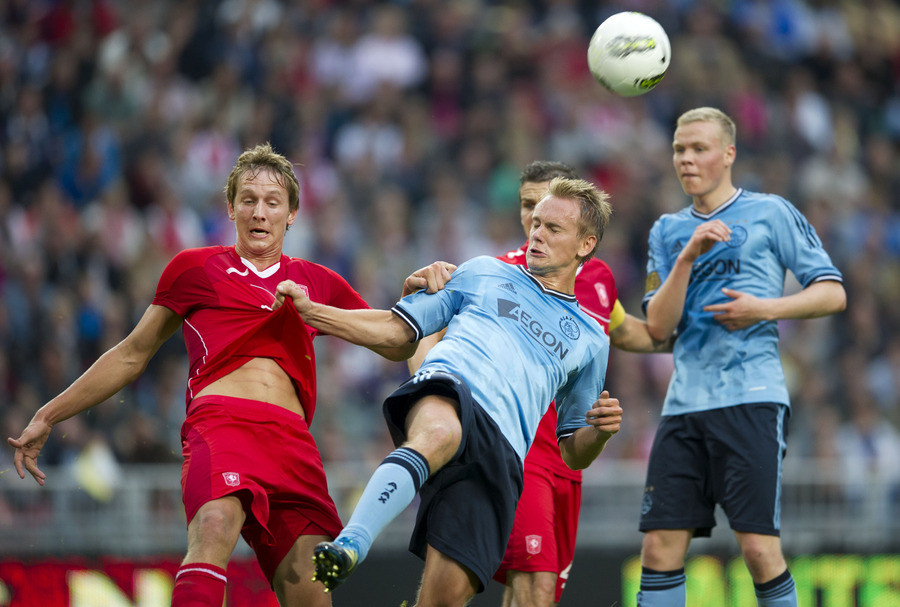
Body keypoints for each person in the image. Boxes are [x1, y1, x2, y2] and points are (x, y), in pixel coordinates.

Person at [7, 142, 452, 607]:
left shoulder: (317, 280)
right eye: (249, 200)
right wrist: (49, 414)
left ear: (292, 214)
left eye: (272, 202)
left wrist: (410, 295)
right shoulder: (194, 268)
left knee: (312, 591)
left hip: (293, 444)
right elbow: (131, 355)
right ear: (232, 207)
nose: (260, 213)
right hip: (222, 425)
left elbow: (394, 341)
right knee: (214, 529)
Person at [274, 176, 624, 606]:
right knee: (441, 432)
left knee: (444, 599)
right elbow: (398, 330)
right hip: (451, 388)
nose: (536, 234)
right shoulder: (483, 271)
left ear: (585, 244)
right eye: (536, 223)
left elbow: (572, 450)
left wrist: (601, 431)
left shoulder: (591, 340)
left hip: (505, 452)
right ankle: (350, 545)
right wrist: (313, 314)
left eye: (553, 229)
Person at [409, 160, 673, 607]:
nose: (535, 218)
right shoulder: (500, 272)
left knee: (537, 591)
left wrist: (703, 338)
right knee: (532, 583)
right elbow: (427, 326)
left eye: (545, 206)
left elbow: (631, 334)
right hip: (519, 446)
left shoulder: (600, 281)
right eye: (527, 207)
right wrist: (430, 381)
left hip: (567, 457)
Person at [637, 107, 846, 607]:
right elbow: (659, 327)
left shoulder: (771, 213)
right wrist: (687, 255)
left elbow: (833, 292)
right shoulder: (666, 231)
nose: (686, 159)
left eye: (698, 149)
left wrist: (764, 308)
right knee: (659, 546)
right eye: (679, 150)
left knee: (757, 549)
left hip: (751, 399)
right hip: (683, 404)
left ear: (728, 154)